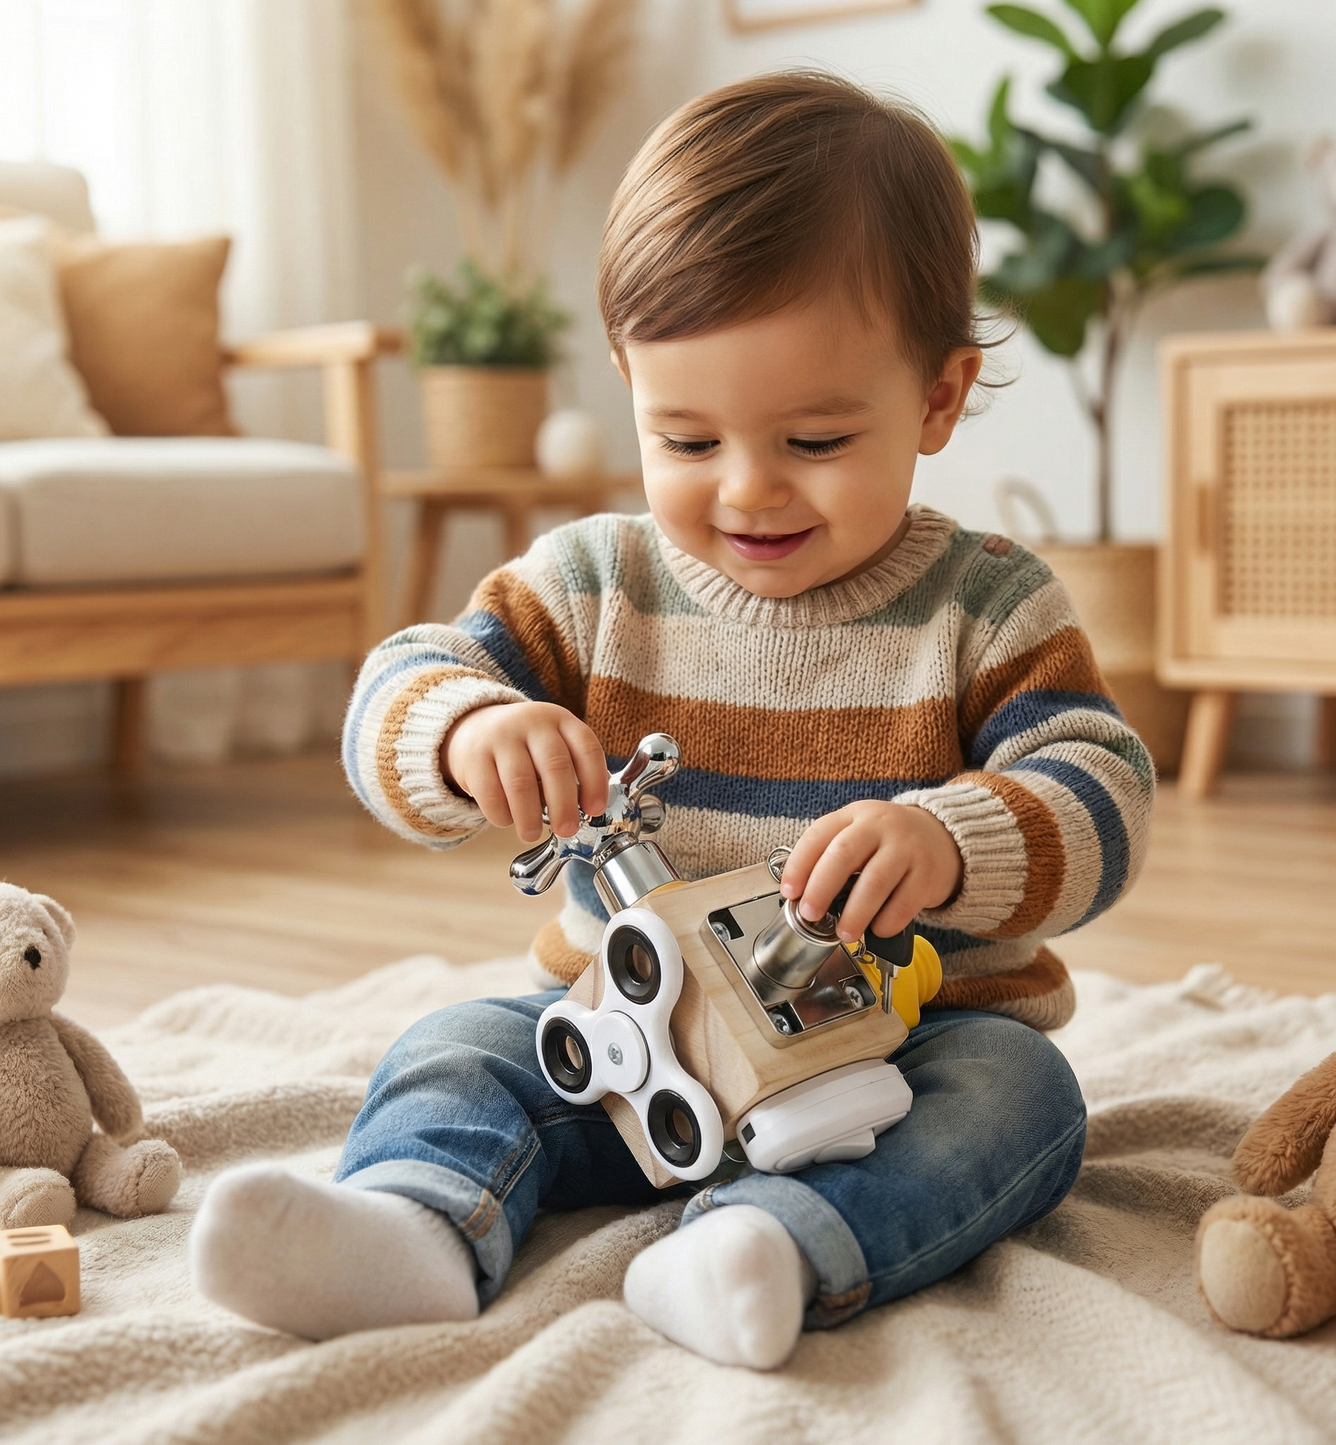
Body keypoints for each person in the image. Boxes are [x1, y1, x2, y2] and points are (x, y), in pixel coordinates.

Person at [190, 71, 1153, 1370]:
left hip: (895, 1059)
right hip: (631, 1040)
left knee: (1025, 1101)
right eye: (687, 440)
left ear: (936, 399)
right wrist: (466, 731)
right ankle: (415, 1228)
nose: (747, 489)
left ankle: (772, 1241)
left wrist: (951, 841)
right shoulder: (591, 586)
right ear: (630, 388)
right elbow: (395, 687)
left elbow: (1102, 786)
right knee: (455, 1047)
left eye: (814, 437)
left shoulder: (987, 604)